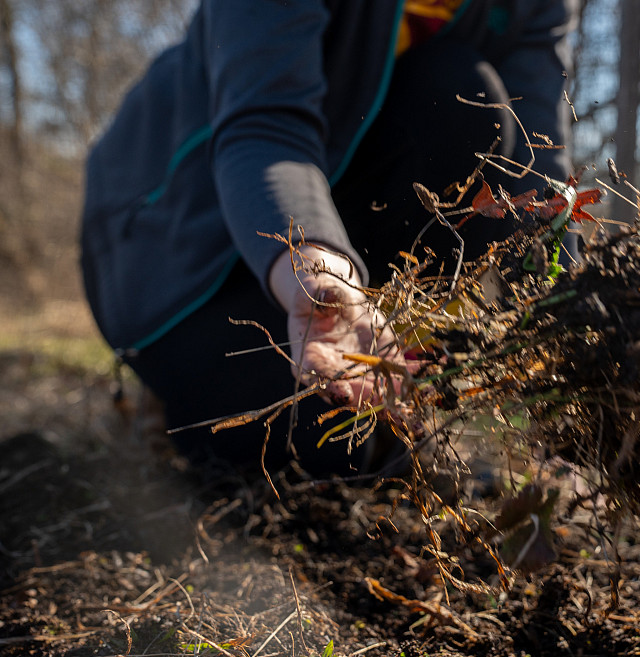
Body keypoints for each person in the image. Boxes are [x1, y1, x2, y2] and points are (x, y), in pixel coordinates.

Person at [80, 1, 577, 479]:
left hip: (340, 204)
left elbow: (538, 172)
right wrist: (318, 267)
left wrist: (571, 325)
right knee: (308, 457)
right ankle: (170, 383)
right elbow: (266, 125)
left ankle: (379, 367)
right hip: (174, 233)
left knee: (468, 99)